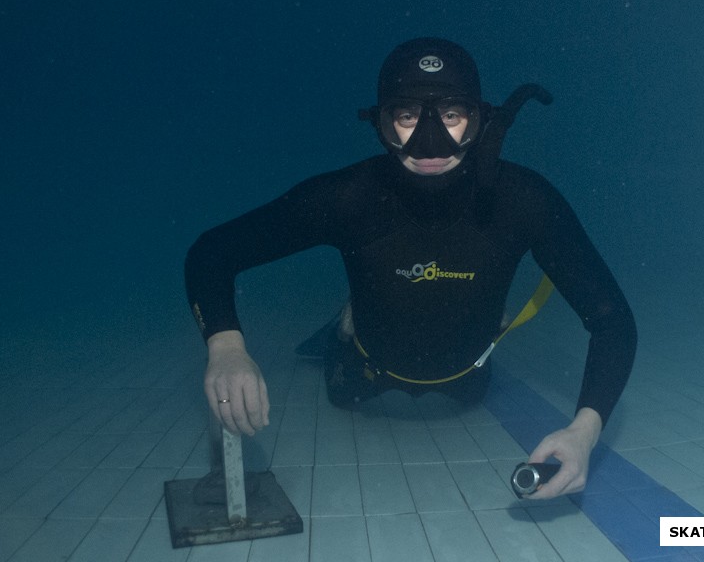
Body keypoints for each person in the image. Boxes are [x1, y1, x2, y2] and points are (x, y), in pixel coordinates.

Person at [185, 37, 637, 500]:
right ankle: (345, 326)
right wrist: (226, 347)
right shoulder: (349, 198)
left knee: (469, 386)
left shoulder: (523, 201)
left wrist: (585, 431)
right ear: (382, 123)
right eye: (406, 117)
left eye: (451, 116)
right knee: (342, 392)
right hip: (364, 368)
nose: (429, 142)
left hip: (466, 375)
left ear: (480, 121)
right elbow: (212, 251)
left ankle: (352, 315)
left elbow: (612, 321)